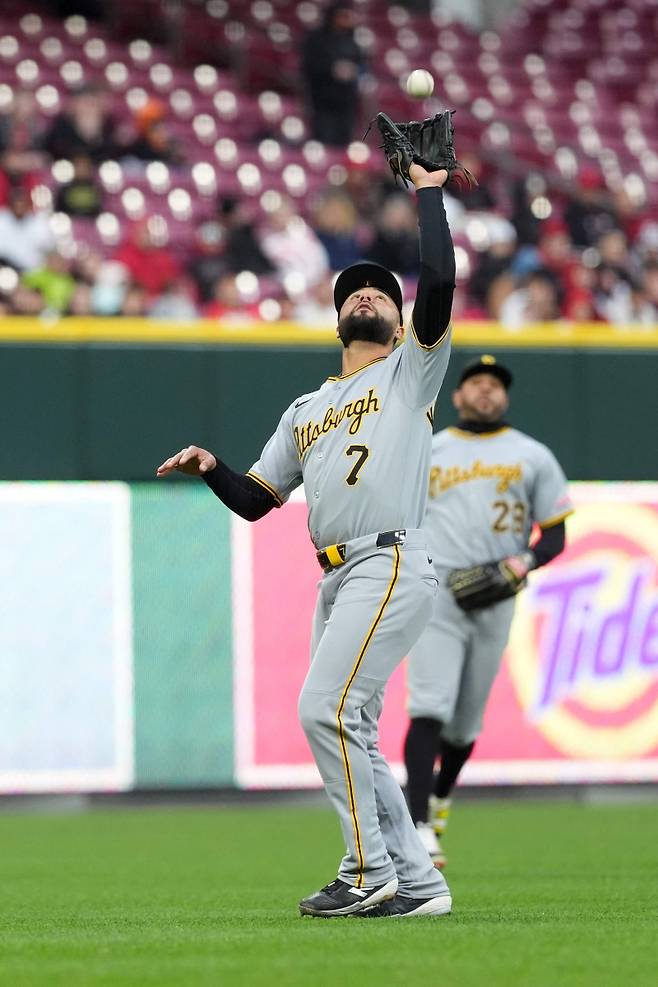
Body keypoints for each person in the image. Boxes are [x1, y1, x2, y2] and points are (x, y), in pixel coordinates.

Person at [157, 162, 455, 919]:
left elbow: (441, 278)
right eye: (354, 291)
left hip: (389, 556)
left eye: (382, 293)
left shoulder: (410, 372)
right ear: (336, 322)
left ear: (399, 321)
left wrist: (428, 192)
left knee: (324, 706)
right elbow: (260, 500)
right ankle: (417, 882)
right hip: (338, 573)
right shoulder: (306, 407)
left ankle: (366, 869)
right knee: (350, 720)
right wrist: (213, 467)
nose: (367, 294)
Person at [403, 355, 573, 868]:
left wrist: (522, 563)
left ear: (506, 397)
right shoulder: (428, 449)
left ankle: (440, 798)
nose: (485, 390)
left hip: (498, 595)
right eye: (475, 382)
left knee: (464, 725)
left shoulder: (532, 456)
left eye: (494, 385)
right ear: (456, 395)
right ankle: (417, 826)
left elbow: (557, 535)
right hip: (438, 590)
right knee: (429, 704)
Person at [300, 3, 366, 147]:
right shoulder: (316, 39)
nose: (347, 20)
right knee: (324, 139)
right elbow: (308, 65)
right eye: (343, 16)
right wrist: (332, 69)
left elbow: (362, 67)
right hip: (322, 99)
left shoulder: (352, 42)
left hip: (346, 101)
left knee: (344, 140)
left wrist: (355, 72)